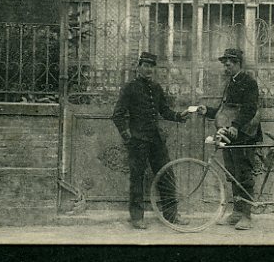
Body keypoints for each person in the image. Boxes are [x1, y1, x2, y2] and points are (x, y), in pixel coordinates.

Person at [112, 51, 191, 229]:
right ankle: (137, 218)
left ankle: (171, 215)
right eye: (145, 66)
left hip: (155, 139)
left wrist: (179, 116)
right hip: (137, 140)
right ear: (139, 67)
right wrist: (127, 137)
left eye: (151, 66)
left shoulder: (156, 88)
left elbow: (165, 111)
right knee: (137, 178)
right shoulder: (130, 87)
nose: (148, 69)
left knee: (166, 173)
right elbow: (117, 115)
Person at [195, 48, 262, 230]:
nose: (226, 66)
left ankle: (247, 216)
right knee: (233, 174)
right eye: (225, 63)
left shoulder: (248, 82)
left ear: (238, 63)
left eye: (229, 63)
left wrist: (236, 125)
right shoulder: (230, 82)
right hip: (230, 135)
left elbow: (250, 108)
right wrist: (206, 111)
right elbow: (224, 110)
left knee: (244, 174)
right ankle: (237, 213)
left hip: (245, 134)